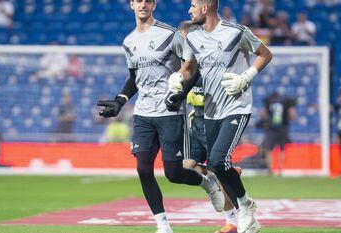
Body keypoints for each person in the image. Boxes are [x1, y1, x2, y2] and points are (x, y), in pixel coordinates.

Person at [96, 1, 224, 232]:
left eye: (148, 0)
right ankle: (162, 225)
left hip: (169, 113)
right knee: (143, 169)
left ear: (154, 5)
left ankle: (207, 182)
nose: (143, 4)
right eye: (138, 1)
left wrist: (181, 94)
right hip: (143, 114)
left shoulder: (171, 35)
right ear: (131, 5)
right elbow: (134, 78)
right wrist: (120, 100)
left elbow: (194, 68)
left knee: (173, 173)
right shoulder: (129, 42)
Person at [168, 0, 272, 232]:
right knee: (218, 165)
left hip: (237, 106)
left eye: (193, 5)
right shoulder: (193, 37)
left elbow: (265, 53)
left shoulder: (237, 32)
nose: (189, 10)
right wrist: (179, 77)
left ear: (205, 8)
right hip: (211, 111)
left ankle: (245, 206)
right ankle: (246, 211)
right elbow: (188, 68)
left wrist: (246, 77)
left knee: (217, 161)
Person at [259, 92, 297, 175]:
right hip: (283, 128)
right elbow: (292, 114)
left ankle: (270, 170)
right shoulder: (286, 101)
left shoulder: (269, 100)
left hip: (271, 128)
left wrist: (264, 121)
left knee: (268, 150)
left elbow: (263, 113)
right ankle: (281, 170)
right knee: (282, 150)